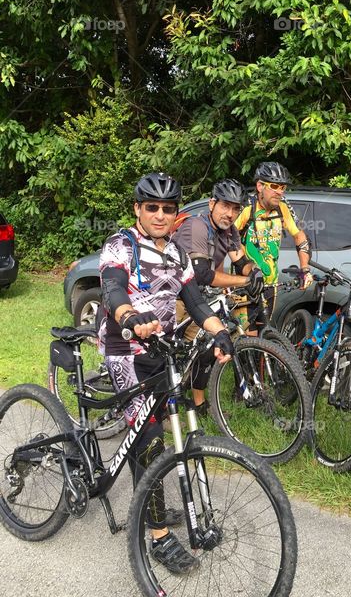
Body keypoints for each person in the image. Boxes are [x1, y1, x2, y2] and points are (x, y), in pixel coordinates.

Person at [98, 173, 235, 574]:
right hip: (126, 349)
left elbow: (194, 300)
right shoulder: (120, 245)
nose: (160, 214)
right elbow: (112, 288)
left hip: (162, 349)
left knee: (165, 427)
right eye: (152, 207)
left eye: (168, 208)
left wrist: (220, 331)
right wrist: (128, 315)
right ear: (138, 209)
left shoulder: (177, 252)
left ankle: (148, 495)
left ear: (177, 214)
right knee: (150, 438)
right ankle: (157, 537)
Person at [171, 178, 264, 410]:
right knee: (165, 353)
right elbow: (202, 273)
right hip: (172, 296)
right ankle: (158, 410)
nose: (230, 214)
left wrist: (255, 272)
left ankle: (198, 403)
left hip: (195, 297)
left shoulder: (230, 231)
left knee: (202, 350)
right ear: (212, 204)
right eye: (225, 206)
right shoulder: (196, 226)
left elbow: (241, 260)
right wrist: (244, 280)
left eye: (235, 209)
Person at [234, 162, 313, 334]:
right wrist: (248, 268)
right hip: (245, 284)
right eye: (275, 186)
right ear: (260, 186)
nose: (280, 191)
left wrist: (304, 269)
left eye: (283, 187)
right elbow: (230, 238)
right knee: (247, 337)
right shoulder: (247, 206)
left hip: (271, 284)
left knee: (264, 335)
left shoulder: (282, 207)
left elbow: (299, 235)